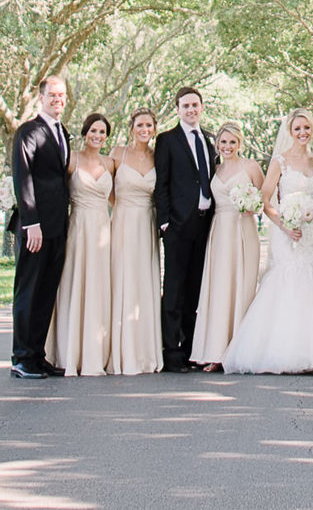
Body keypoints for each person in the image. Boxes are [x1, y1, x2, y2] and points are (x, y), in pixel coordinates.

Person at [221, 109, 313, 373]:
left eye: (306, 128)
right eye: (297, 129)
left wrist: (309, 214)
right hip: (285, 230)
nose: (302, 133)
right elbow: (266, 200)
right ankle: (281, 351)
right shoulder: (280, 161)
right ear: (290, 132)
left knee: (311, 282)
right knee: (288, 281)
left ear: (312, 130)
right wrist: (285, 224)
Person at [7, 74, 72, 379]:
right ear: (41, 98)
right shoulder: (28, 132)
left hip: (58, 226)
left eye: (62, 95)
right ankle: (21, 357)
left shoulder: (63, 132)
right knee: (29, 291)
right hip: (35, 227)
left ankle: (37, 354)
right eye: (53, 95)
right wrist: (31, 222)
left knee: (46, 292)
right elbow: (23, 178)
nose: (58, 100)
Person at [152, 85, 217, 373]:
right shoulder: (167, 140)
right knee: (175, 289)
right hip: (178, 225)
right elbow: (161, 183)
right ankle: (172, 353)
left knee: (195, 289)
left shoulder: (210, 140)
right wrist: (165, 221)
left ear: (201, 107)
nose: (191, 110)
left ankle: (191, 349)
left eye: (195, 105)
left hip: (205, 224)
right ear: (178, 109)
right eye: (186, 106)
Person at [191, 121, 265, 370]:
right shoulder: (214, 170)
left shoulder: (251, 166)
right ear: (217, 144)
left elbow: (265, 197)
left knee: (242, 286)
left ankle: (240, 352)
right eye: (223, 142)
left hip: (243, 229)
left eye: (232, 142)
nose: (227, 146)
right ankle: (216, 352)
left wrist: (252, 206)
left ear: (240, 144)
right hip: (220, 231)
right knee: (220, 289)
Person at [46, 113, 116, 376]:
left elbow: (115, 199)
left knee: (98, 287)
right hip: (77, 228)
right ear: (85, 133)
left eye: (102, 133)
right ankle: (68, 351)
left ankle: (95, 350)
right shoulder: (71, 160)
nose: (97, 136)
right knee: (74, 284)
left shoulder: (110, 164)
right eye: (93, 131)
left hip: (102, 231)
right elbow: (56, 193)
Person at [108, 108, 164, 375]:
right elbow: (105, 189)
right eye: (140, 125)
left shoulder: (158, 157)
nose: (145, 129)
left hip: (147, 223)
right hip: (123, 222)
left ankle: (144, 350)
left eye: (149, 126)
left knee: (144, 281)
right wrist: (121, 208)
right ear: (131, 127)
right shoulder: (118, 154)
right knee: (122, 279)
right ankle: (120, 351)